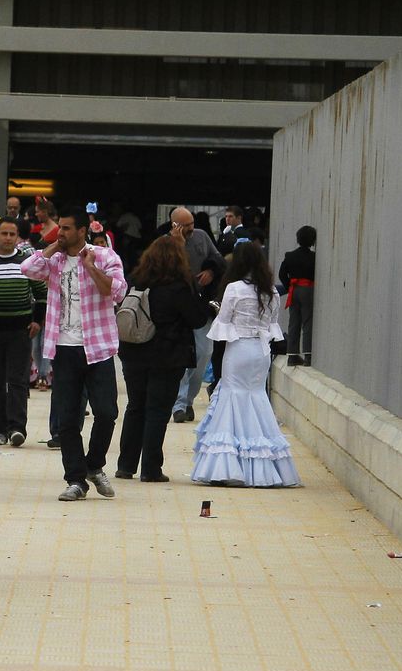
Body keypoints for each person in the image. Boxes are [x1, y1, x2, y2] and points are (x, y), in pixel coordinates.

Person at [22, 206, 127, 501]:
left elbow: (117, 292)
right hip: (63, 347)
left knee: (106, 412)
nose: (62, 233)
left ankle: (94, 465)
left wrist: (91, 266)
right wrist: (55, 244)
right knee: (67, 419)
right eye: (61, 228)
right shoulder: (54, 260)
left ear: (83, 230)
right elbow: (27, 269)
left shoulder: (105, 256)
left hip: (99, 347)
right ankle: (76, 479)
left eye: (67, 229)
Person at [193, 242, 300, 487]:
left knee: (232, 397)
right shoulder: (271, 291)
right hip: (261, 352)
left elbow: (224, 321)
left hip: (239, 349)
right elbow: (273, 325)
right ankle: (263, 464)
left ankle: (229, 465)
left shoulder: (234, 288)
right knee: (256, 397)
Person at [115, 236, 212, 483]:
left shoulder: (137, 281)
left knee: (135, 407)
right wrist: (208, 305)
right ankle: (150, 469)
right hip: (167, 357)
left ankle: (125, 465)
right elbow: (197, 319)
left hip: (134, 352)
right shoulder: (179, 287)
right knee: (157, 411)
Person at [0, 218, 44, 447]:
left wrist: (37, 320)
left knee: (18, 381)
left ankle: (17, 428)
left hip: (20, 332)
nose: (8, 238)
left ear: (18, 237)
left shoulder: (26, 263)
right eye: (4, 233)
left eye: (12, 234)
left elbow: (41, 292)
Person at [168, 207, 226, 424]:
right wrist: (179, 244)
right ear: (175, 226)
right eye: (186, 228)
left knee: (203, 353)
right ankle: (179, 404)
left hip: (201, 305)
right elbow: (168, 270)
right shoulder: (167, 243)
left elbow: (219, 260)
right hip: (177, 305)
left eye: (192, 225)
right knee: (181, 358)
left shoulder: (202, 236)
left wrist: (211, 270)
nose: (191, 230)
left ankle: (189, 398)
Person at [279, 225, 317, 366]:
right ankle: (308, 356)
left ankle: (292, 355)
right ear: (312, 241)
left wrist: (289, 285)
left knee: (294, 322)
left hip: (293, 289)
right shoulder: (314, 257)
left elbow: (282, 273)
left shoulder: (290, 255)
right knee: (307, 322)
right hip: (308, 289)